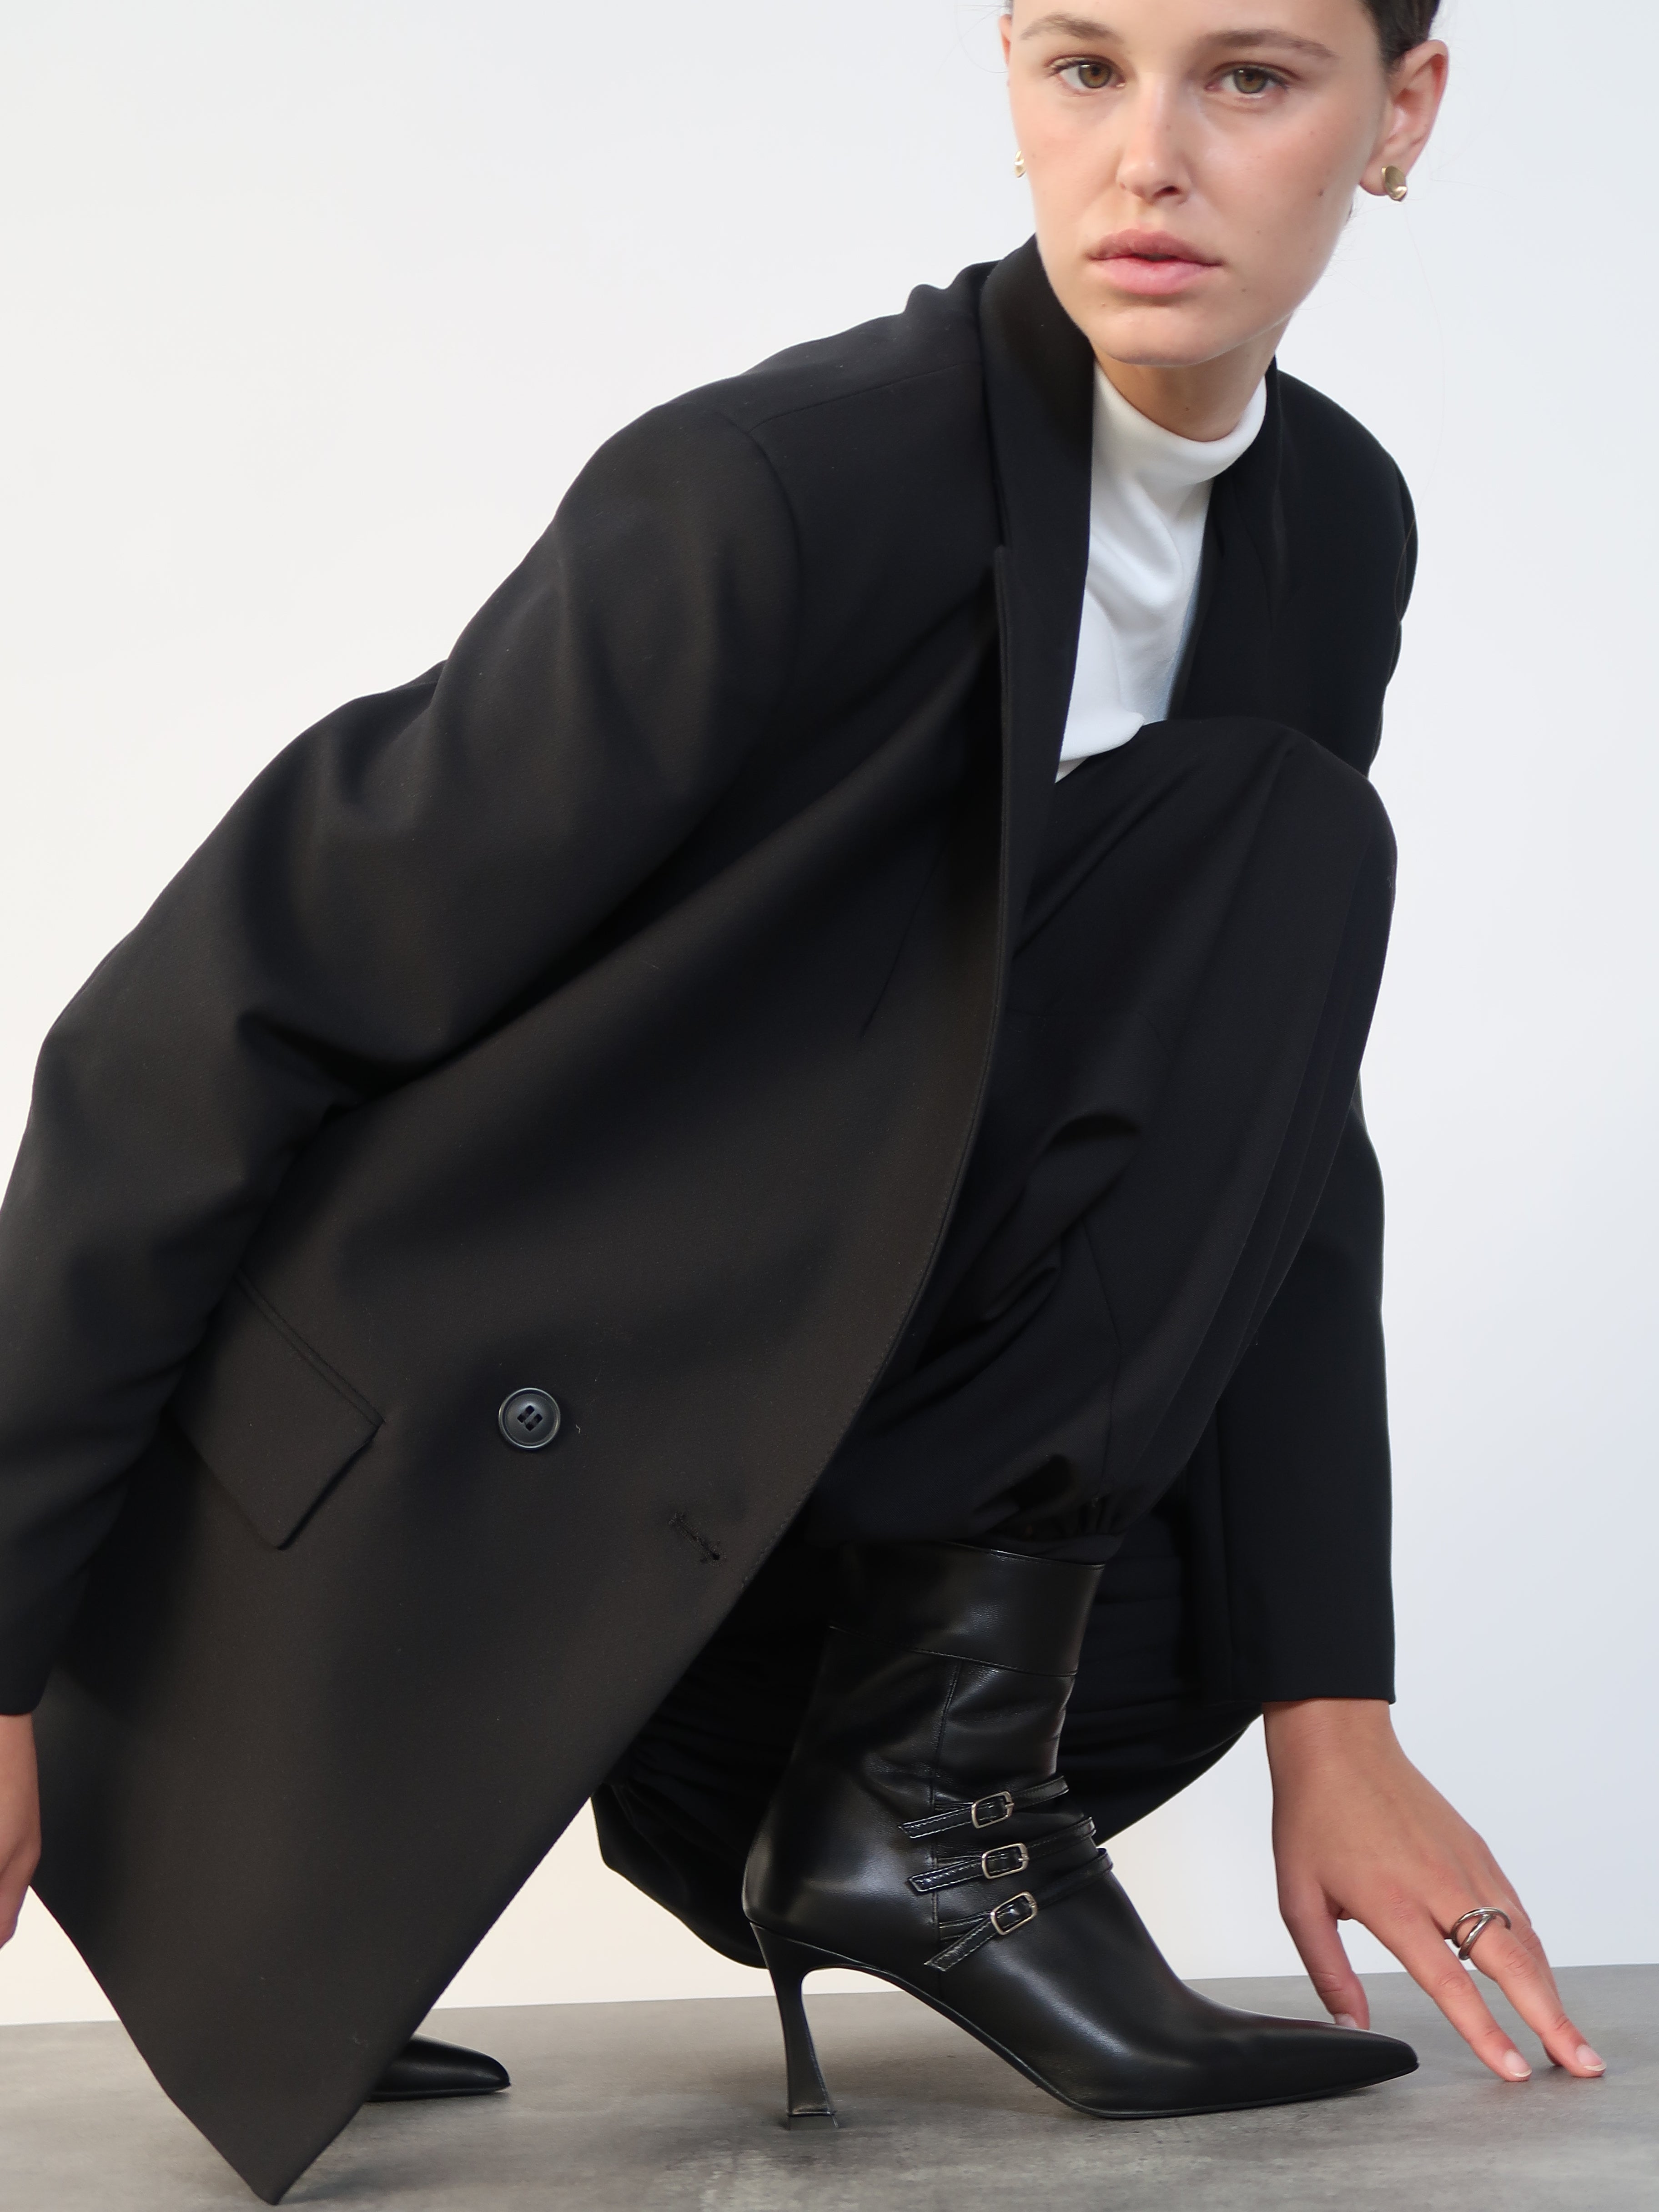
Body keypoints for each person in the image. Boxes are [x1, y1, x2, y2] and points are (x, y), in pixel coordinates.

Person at [0, 0, 1605, 2200]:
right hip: (476, 1510)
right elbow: (210, 1012)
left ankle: (929, 1792)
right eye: (1084, 65)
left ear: (1398, 114)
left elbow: (1267, 1102)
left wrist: (1335, 1712)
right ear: (1014, 80)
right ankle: (878, 1798)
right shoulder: (780, 492)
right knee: (1284, 838)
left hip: (795, 1577)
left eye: (1249, 76)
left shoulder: (1329, 523)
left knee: (1281, 854)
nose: (1149, 155)